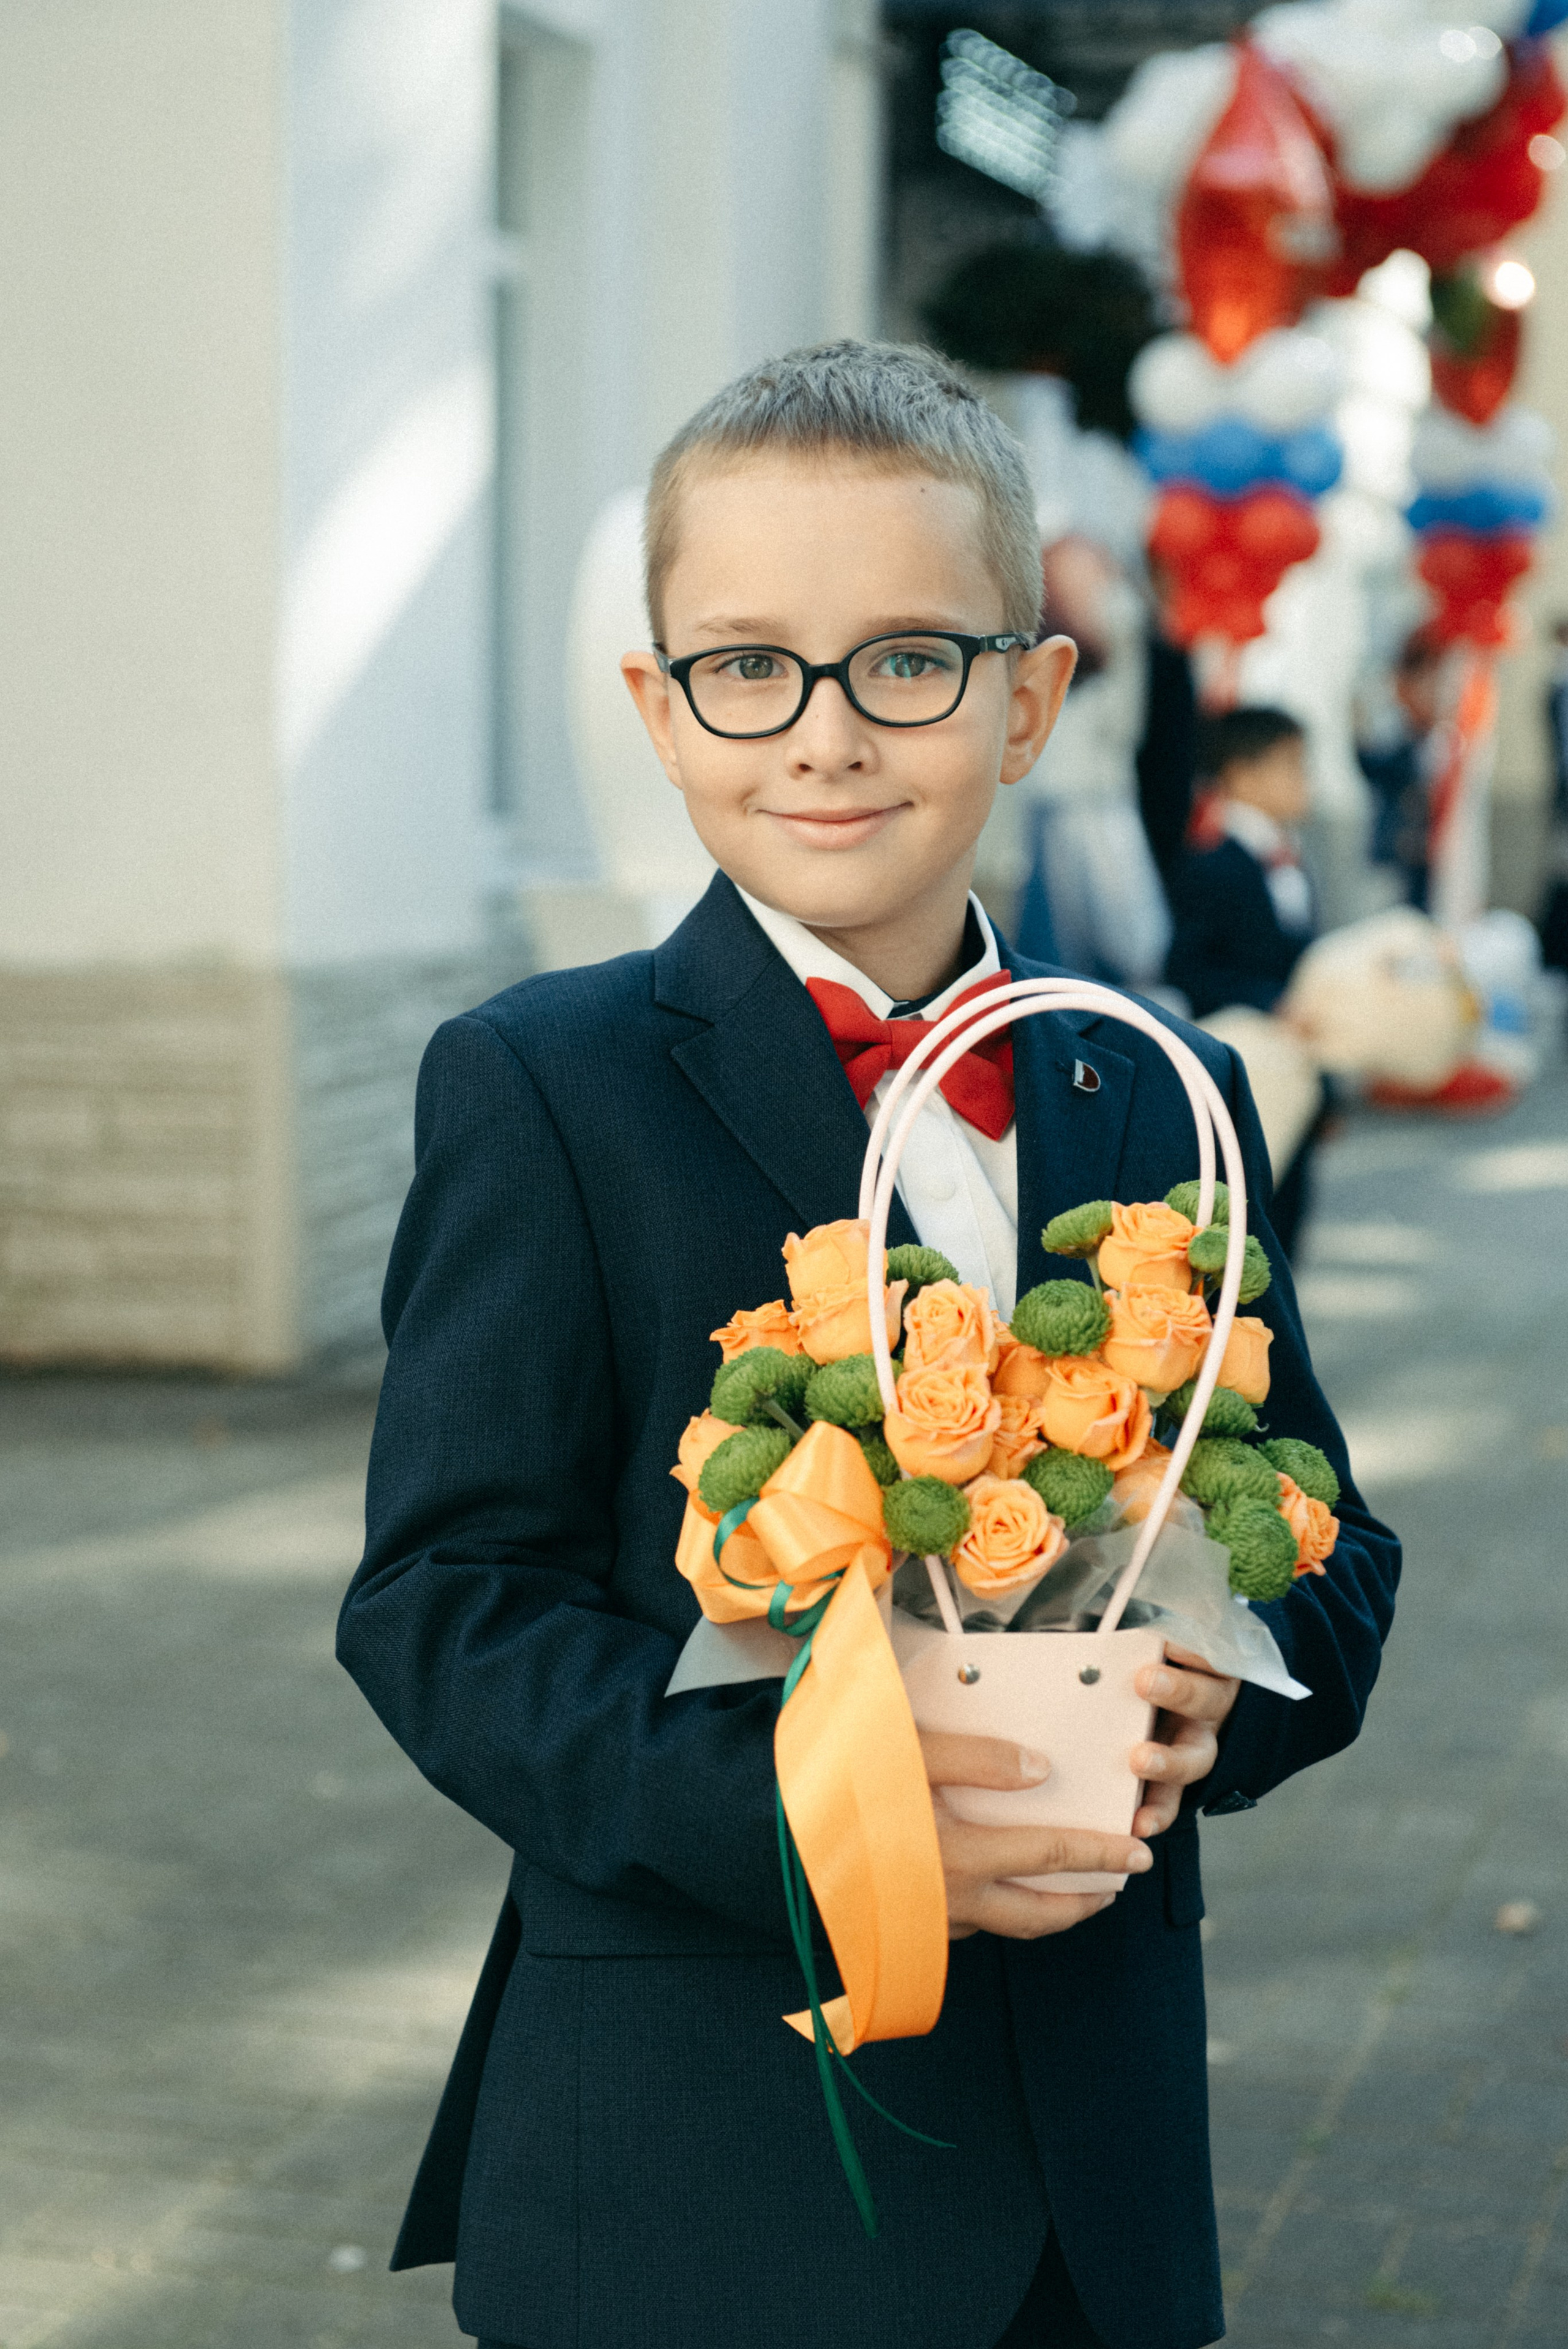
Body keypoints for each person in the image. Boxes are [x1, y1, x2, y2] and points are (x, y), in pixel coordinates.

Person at [337, 343, 1398, 2349]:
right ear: (660, 709)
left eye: (909, 657)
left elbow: (1328, 1543)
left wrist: (1221, 1698)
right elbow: (446, 1605)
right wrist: (828, 1802)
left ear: (1031, 698)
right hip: (698, 2168)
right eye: (751, 665)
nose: (826, 735)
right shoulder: (542, 1085)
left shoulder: (1161, 1091)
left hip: (1091, 2189)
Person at [1164, 707, 1325, 1256]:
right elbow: (1187, 969)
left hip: (1295, 1063)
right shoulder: (1213, 862)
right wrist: (1270, 1001)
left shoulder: (1288, 857)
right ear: (1241, 774)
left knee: (1291, 1215)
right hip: (1244, 1063)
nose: (1306, 780)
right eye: (1292, 766)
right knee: (1248, 1213)